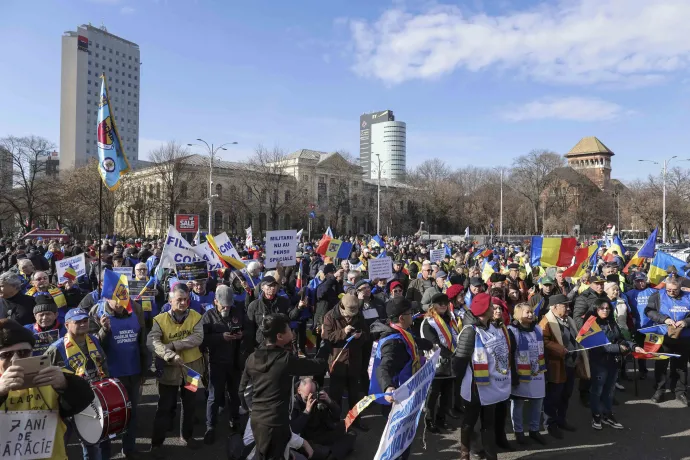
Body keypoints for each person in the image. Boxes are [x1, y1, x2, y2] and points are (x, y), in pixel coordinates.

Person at [0, 318, 95, 460]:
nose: (15, 360)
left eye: (23, 353)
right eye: (6, 355)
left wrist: (65, 384)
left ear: (32, 352)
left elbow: (86, 398)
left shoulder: (51, 376)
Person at [239, 313, 330, 460]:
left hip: (257, 421)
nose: (292, 332)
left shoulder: (252, 358)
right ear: (280, 336)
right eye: (288, 330)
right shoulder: (285, 360)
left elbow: (243, 392)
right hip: (277, 423)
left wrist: (255, 410)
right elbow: (319, 365)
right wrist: (325, 341)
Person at [369, 297, 433, 460]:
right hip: (396, 399)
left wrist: (430, 345)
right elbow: (383, 368)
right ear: (401, 318)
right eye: (410, 313)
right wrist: (388, 387)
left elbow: (414, 341)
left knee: (405, 438)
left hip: (406, 394)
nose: (413, 315)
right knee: (397, 442)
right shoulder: (392, 343)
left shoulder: (400, 332)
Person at [89, 287, 147, 460]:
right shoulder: (96, 312)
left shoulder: (135, 309)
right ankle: (105, 454)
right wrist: (104, 329)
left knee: (132, 413)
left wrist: (144, 369)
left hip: (134, 371)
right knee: (109, 416)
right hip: (110, 376)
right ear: (107, 298)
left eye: (124, 299)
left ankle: (129, 448)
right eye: (117, 300)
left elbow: (142, 341)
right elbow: (92, 345)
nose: (121, 303)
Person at [46, 307, 110, 460]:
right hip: (67, 403)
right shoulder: (56, 348)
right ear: (67, 325)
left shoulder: (93, 340)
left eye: (85, 321)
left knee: (92, 442)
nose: (82, 324)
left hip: (91, 398)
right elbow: (45, 373)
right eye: (78, 322)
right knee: (61, 440)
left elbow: (103, 362)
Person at [148, 282, 204, 457]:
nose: (183, 303)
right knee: (164, 407)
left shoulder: (196, 316)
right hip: (169, 370)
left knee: (190, 404)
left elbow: (198, 338)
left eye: (186, 300)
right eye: (179, 299)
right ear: (170, 301)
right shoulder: (159, 319)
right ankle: (156, 443)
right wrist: (169, 355)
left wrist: (172, 344)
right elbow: (152, 342)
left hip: (192, 369)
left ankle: (187, 436)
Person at [453, 292, 511, 460]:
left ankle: (491, 455)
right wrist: (458, 388)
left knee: (489, 423)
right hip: (474, 387)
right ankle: (465, 454)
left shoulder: (494, 327)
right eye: (492, 306)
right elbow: (460, 362)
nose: (495, 308)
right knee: (469, 422)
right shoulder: (470, 331)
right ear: (485, 310)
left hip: (492, 385)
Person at [587, 299, 643, 430]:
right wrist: (619, 348)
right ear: (596, 309)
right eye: (602, 308)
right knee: (597, 390)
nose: (605, 310)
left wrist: (633, 346)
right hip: (598, 363)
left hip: (613, 362)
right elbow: (597, 346)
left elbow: (621, 339)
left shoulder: (612, 322)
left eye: (607, 308)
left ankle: (607, 414)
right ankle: (596, 415)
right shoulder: (591, 324)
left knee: (609, 390)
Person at [202, 285, 248, 443]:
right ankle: (210, 427)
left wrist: (241, 335)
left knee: (235, 395)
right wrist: (221, 337)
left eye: (229, 304)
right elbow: (202, 340)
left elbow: (248, 329)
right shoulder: (208, 316)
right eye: (223, 305)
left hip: (235, 362)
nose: (226, 308)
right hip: (217, 363)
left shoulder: (237, 312)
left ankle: (234, 421)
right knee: (214, 397)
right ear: (215, 301)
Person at [539, 294, 588, 440]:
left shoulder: (568, 319)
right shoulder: (546, 322)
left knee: (566, 395)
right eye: (565, 305)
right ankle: (550, 424)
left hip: (570, 364)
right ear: (554, 307)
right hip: (556, 365)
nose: (568, 308)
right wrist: (559, 349)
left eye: (568, 305)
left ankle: (561, 419)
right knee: (553, 396)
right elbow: (543, 340)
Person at [322, 293, 369, 431]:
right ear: (342, 307)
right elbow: (327, 337)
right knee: (335, 395)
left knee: (355, 396)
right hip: (338, 362)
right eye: (348, 314)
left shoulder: (359, 315)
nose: (351, 317)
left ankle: (355, 420)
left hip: (355, 361)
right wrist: (343, 332)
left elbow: (366, 335)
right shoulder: (330, 316)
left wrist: (360, 336)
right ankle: (334, 421)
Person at [644, 275, 690, 405]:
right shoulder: (657, 295)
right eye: (669, 290)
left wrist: (686, 322)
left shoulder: (688, 296)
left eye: (675, 290)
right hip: (663, 336)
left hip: (684, 337)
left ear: (680, 287)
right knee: (661, 364)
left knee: (681, 366)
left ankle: (680, 391)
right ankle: (660, 389)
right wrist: (664, 319)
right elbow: (649, 311)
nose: (671, 293)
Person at [508, 302, 547, 445]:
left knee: (537, 402)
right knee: (518, 403)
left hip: (537, 372)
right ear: (519, 314)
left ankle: (534, 430)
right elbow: (510, 354)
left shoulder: (537, 329)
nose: (530, 315)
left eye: (531, 312)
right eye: (527, 312)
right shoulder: (512, 330)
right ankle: (518, 432)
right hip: (520, 372)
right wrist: (513, 374)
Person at [290, 377, 356, 460]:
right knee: (318, 452)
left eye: (313, 394)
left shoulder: (319, 396)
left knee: (351, 432)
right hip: (309, 438)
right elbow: (293, 430)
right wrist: (306, 412)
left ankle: (332, 453)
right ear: (299, 391)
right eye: (307, 397)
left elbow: (337, 414)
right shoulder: (294, 404)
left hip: (323, 431)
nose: (312, 398)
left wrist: (329, 401)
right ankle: (333, 453)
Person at [421, 293, 458, 433]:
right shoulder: (428, 322)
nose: (443, 305)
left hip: (451, 362)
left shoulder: (450, 319)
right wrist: (452, 354)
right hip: (436, 363)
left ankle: (442, 419)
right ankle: (430, 420)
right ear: (432, 306)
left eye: (445, 302)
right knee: (433, 394)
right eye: (439, 303)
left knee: (448, 393)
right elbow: (433, 342)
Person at [246, 276, 294, 351]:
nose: (273, 288)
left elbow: (291, 317)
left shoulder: (284, 302)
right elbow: (250, 328)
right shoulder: (254, 305)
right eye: (270, 285)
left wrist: (299, 307)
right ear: (262, 287)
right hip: (261, 345)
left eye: (274, 285)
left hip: (280, 344)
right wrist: (250, 347)